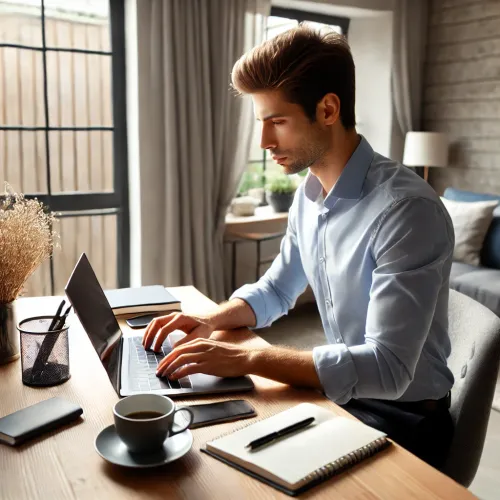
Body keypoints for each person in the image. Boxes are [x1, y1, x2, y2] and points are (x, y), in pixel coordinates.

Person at [143, 25, 455, 469]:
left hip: (403, 420)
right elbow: (275, 290)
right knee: (210, 444)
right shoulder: (310, 196)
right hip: (344, 397)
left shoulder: (407, 211)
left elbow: (387, 368)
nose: (265, 142)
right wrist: (208, 319)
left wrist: (248, 357)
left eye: (278, 122)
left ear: (328, 109)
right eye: (262, 123)